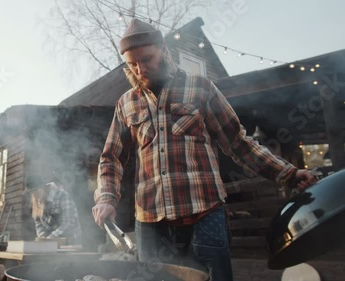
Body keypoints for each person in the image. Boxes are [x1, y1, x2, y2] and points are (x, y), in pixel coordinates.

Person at [91, 18, 317, 280]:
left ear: (163, 49)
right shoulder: (126, 103)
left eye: (147, 59)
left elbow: (238, 142)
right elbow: (111, 159)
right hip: (152, 225)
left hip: (205, 216)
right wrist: (106, 197)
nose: (141, 69)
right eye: (132, 64)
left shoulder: (201, 88)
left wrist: (287, 173)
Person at [27, 175, 82, 245]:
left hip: (70, 243)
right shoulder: (37, 201)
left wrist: (50, 238)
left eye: (36, 191)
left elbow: (69, 222)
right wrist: (42, 235)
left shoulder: (62, 195)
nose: (35, 195)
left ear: (44, 187)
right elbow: (38, 222)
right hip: (51, 244)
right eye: (32, 193)